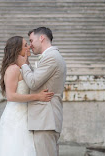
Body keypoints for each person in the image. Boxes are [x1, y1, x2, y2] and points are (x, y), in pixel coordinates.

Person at [0, 36, 54, 156]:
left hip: (28, 115)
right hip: (16, 117)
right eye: (25, 45)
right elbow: (11, 96)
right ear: (17, 50)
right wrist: (37, 97)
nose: (29, 46)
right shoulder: (13, 69)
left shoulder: (25, 67)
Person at [16, 27, 67, 156]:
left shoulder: (52, 57)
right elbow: (38, 80)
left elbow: (33, 83)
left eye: (31, 41)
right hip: (44, 119)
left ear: (42, 38)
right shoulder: (50, 57)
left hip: (46, 119)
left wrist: (23, 65)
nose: (30, 45)